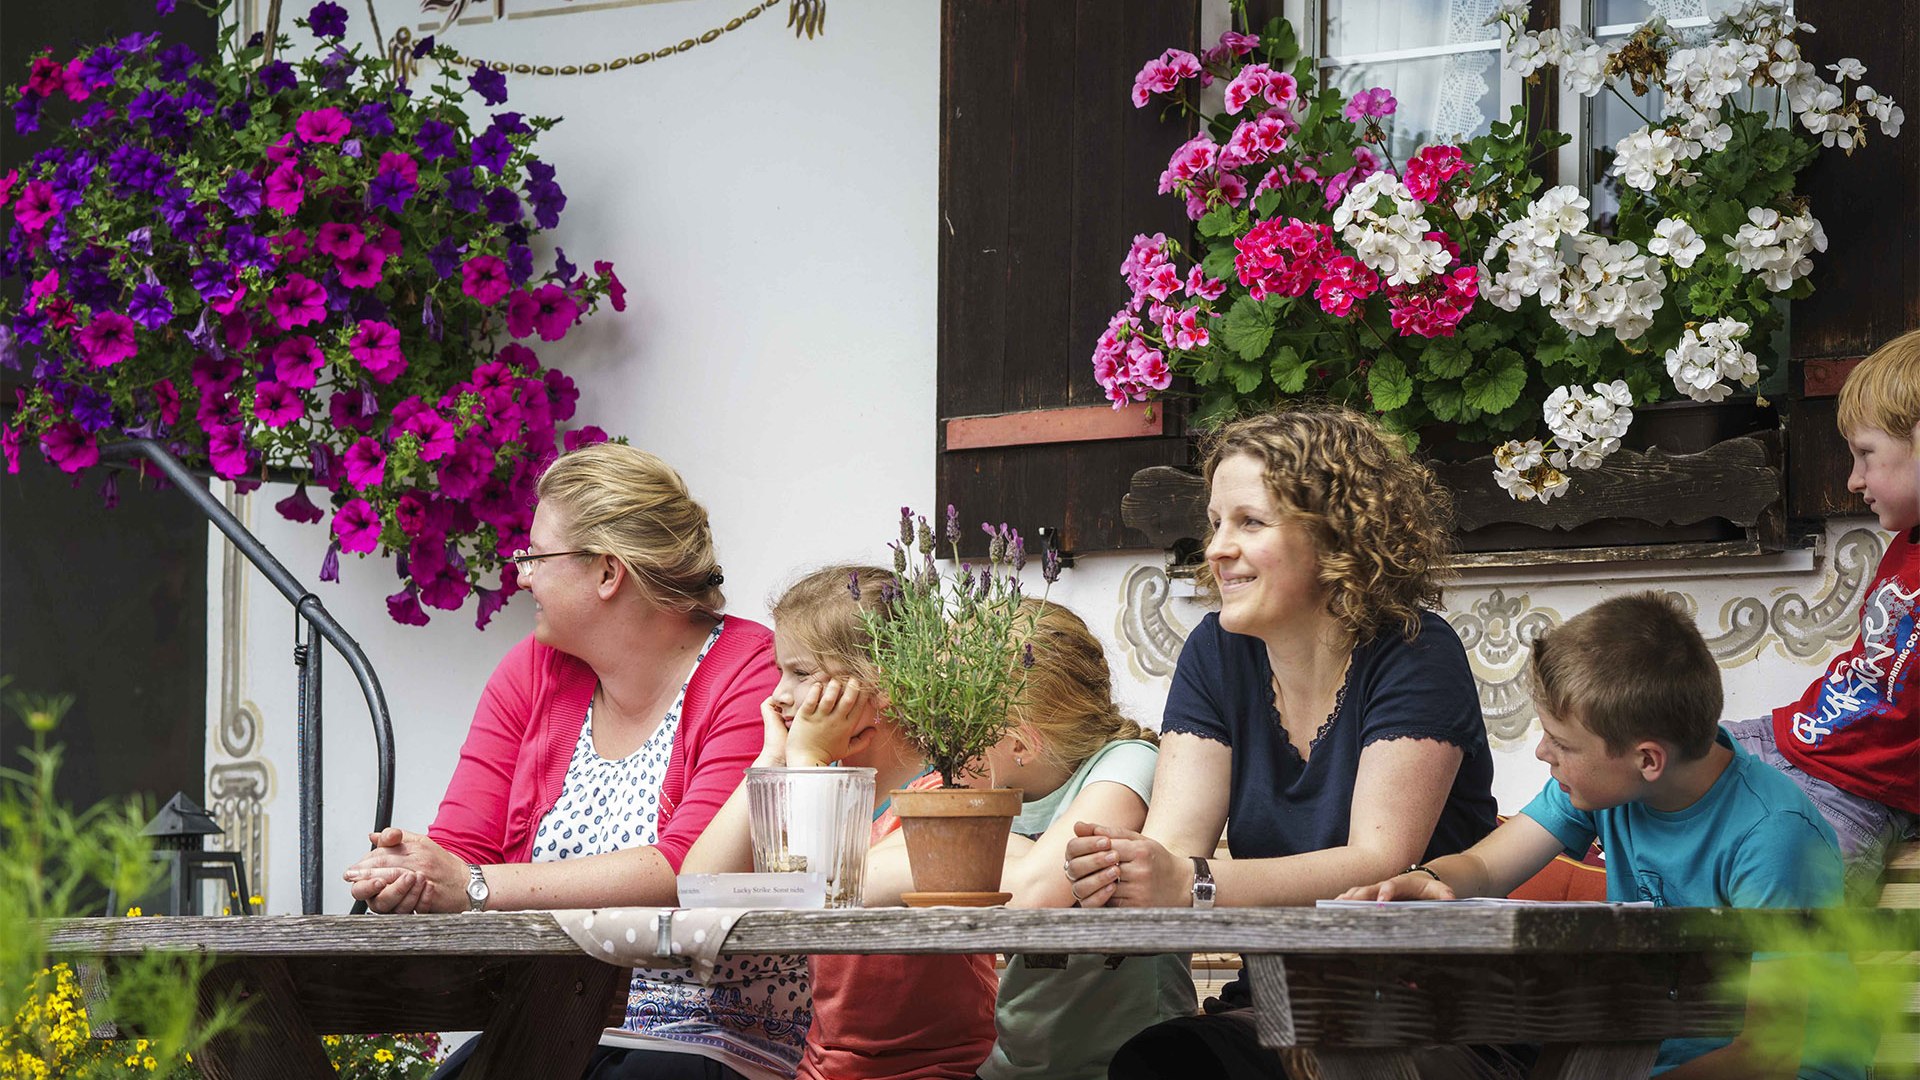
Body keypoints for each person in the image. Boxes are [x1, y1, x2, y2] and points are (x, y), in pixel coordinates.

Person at [340, 442, 805, 1080]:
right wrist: (413, 871)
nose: (521, 573)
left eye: (535, 555)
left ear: (608, 573)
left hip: (708, 1037)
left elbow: (687, 871)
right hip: (552, 1022)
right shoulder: (531, 671)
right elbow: (460, 847)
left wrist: (475, 887)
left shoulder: (752, 672)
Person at [1065, 405, 1499, 1079]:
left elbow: (1379, 860)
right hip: (1280, 1006)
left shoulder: (1416, 650)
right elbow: (1178, 851)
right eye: (1214, 524)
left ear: (1337, 538)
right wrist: (1127, 868)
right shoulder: (1216, 651)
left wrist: (1190, 883)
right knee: (1162, 1063)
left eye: (1249, 522)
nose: (1216, 549)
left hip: (1431, 1015)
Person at [1343, 591, 1857, 1080]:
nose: (1543, 754)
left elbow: (1770, 1054)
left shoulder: (1773, 837)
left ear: (1647, 759)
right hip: (1634, 1059)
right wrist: (1426, 879)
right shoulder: (1606, 790)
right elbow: (1485, 867)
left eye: (1561, 742)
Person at [681, 565, 999, 1080]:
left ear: (888, 683)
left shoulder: (943, 799)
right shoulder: (816, 782)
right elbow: (700, 888)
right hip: (823, 1066)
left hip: (936, 1070)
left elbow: (822, 898)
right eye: (778, 670)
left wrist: (806, 760)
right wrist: (774, 760)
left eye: (801, 673)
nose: (778, 695)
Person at [860, 600, 1196, 1080]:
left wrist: (966, 861)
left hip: (1128, 1064)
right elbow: (864, 877)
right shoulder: (980, 788)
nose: (936, 745)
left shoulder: (1128, 764)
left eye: (957, 722)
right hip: (1012, 1067)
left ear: (1019, 744)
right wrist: (1030, 859)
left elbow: (1034, 899)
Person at [1725, 329, 1919, 901]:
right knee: (1635, 757)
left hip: (1857, 796)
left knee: (1793, 913)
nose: (1853, 480)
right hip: (1789, 737)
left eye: (1866, 455)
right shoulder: (1905, 542)